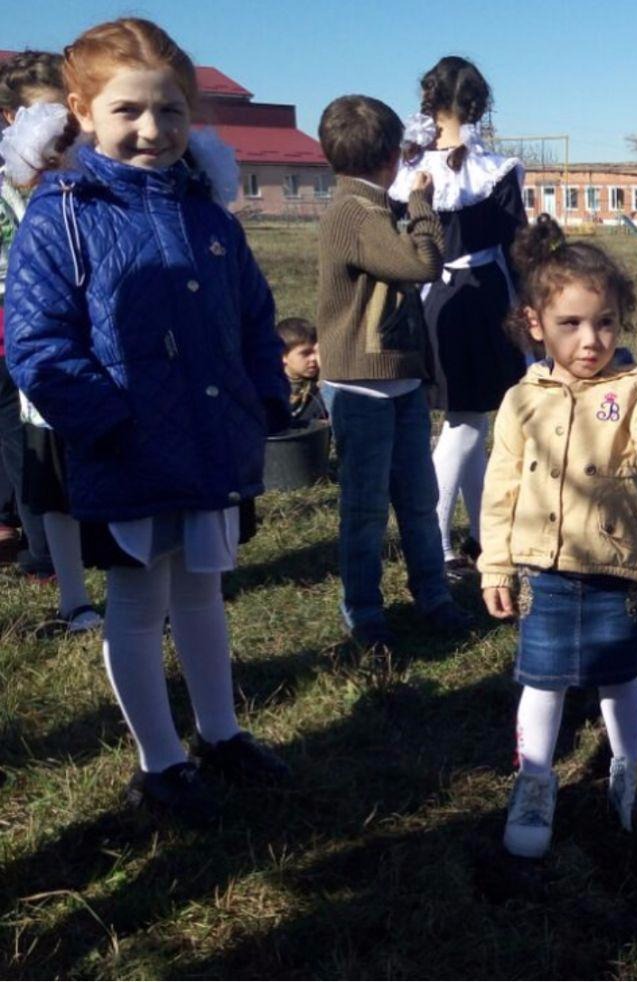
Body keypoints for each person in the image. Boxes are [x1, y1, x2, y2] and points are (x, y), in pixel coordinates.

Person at [6, 18, 291, 825]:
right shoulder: (60, 216)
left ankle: (222, 733)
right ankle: (161, 763)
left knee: (202, 591)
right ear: (81, 110)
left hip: (210, 439)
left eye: (169, 112)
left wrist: (262, 397)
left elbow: (255, 320)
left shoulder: (209, 218)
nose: (152, 130)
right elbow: (38, 342)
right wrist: (110, 424)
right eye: (128, 110)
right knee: (137, 602)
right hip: (127, 448)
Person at [478, 215, 637, 859]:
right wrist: (495, 565)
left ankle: (632, 767)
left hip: (613, 564)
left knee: (619, 675)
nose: (590, 339)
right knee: (542, 679)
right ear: (536, 323)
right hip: (544, 567)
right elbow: (501, 488)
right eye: (571, 324)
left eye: (604, 322)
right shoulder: (521, 399)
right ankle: (536, 778)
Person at [316, 93, 470, 649]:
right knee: (365, 509)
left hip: (398, 381)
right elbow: (421, 261)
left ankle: (432, 595)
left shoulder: (370, 207)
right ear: (388, 158)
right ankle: (364, 612)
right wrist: (424, 205)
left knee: (418, 500)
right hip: (362, 389)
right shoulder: (355, 213)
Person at [391, 56, 527, 580]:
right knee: (468, 422)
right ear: (477, 104)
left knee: (468, 417)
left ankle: (483, 535)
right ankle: (436, 543)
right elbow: (516, 247)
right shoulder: (494, 170)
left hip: (431, 299)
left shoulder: (408, 170)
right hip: (478, 297)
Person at [0, 50, 65, 579]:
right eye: (45, 113)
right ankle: (45, 551)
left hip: (66, 326)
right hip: (14, 334)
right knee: (26, 444)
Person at [276, 317, 326, 424]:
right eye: (305, 353)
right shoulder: (271, 385)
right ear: (283, 356)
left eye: (316, 352)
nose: (313, 358)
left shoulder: (321, 387)